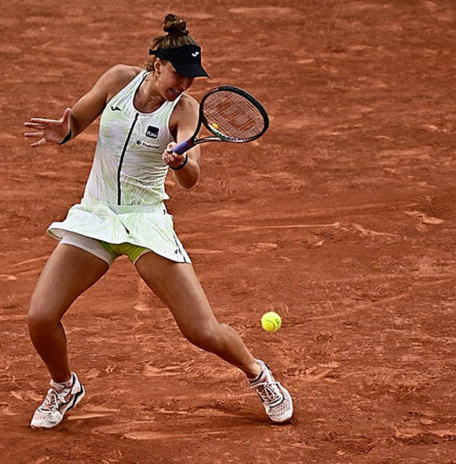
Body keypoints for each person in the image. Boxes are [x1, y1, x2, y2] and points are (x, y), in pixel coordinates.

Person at [23, 14, 293, 429]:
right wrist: (65, 130)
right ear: (156, 65)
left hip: (145, 223)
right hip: (96, 215)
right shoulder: (117, 79)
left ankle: (258, 374)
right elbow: (75, 121)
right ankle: (64, 386)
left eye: (191, 78)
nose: (184, 84)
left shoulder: (185, 110)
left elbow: (191, 180)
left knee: (200, 330)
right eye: (179, 74)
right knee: (41, 317)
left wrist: (182, 162)